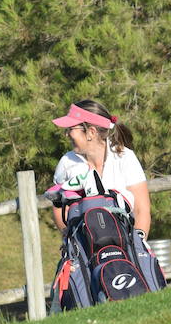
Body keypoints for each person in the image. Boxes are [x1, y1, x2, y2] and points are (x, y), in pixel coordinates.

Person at [48, 100, 151, 241]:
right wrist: (72, 241)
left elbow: (141, 211)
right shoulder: (66, 163)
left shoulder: (125, 158)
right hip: (84, 248)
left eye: (71, 129)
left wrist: (138, 246)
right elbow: (59, 208)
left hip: (126, 246)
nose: (67, 135)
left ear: (91, 132)